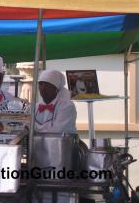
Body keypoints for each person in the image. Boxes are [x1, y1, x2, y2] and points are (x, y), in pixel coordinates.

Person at [35, 70, 77, 203]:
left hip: (61, 159)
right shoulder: (36, 106)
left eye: (47, 85)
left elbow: (56, 130)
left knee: (59, 194)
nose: (42, 88)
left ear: (56, 88)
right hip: (40, 158)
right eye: (40, 84)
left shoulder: (67, 106)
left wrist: (32, 127)